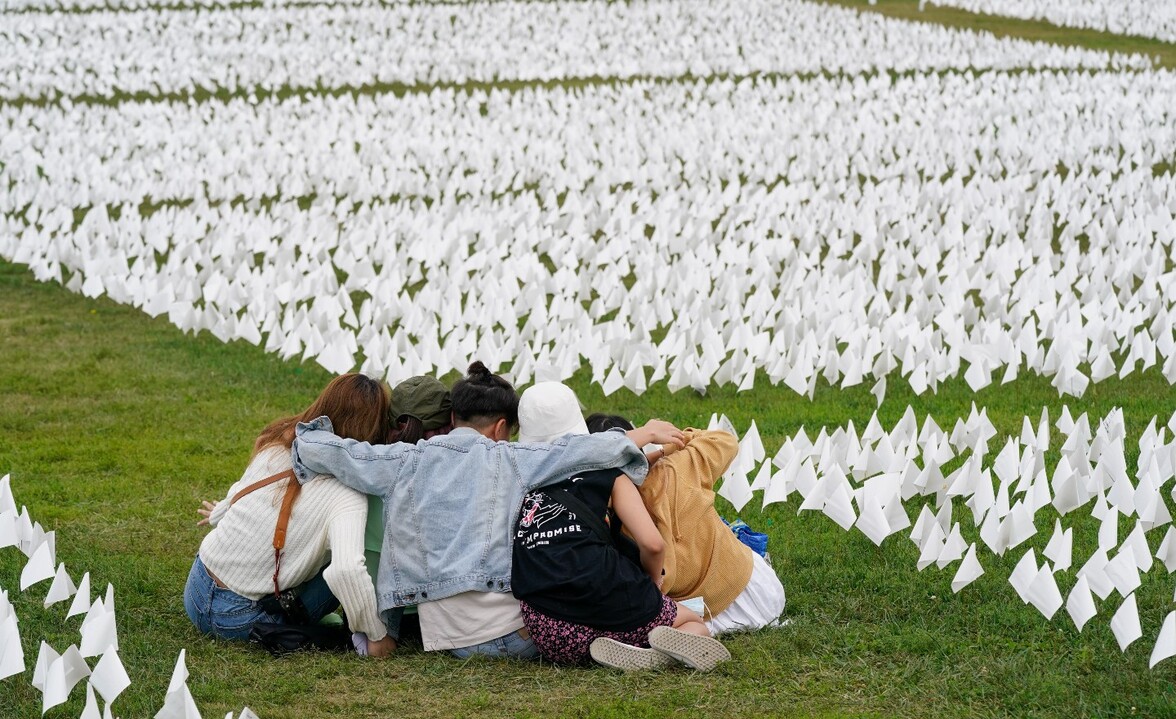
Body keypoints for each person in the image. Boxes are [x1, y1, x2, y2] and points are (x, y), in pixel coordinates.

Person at [290, 361, 686, 659]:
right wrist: (643, 434)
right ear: (500, 428)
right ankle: (638, 636)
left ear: (452, 417)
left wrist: (305, 438)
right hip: (515, 637)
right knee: (588, 599)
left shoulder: (402, 462)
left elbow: (343, 454)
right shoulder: (510, 458)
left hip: (445, 641)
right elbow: (575, 450)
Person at [512, 382, 731, 671]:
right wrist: (652, 587)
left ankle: (615, 645)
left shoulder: (523, 479)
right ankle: (655, 655)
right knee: (694, 621)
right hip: (611, 597)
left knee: (607, 619)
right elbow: (653, 544)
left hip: (549, 633)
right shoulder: (610, 475)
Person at [185, 374, 396, 657]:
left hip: (196, 587)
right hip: (239, 620)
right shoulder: (348, 493)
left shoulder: (279, 442)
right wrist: (376, 634)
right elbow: (347, 571)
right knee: (353, 553)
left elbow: (245, 487)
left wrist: (221, 513)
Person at [586, 413, 787, 636]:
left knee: (644, 617)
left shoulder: (601, 513)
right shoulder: (679, 466)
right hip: (759, 588)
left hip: (703, 610)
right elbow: (725, 440)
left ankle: (661, 638)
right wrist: (663, 450)